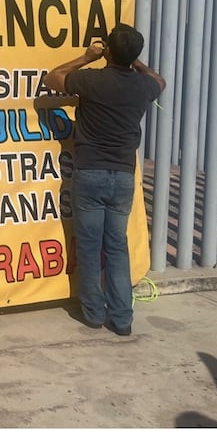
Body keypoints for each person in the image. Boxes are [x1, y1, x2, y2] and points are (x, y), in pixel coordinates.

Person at [41, 23, 165, 337]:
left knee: (89, 244)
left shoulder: (92, 80)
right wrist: (133, 60)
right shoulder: (143, 86)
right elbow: (159, 81)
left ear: (106, 50)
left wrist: (86, 57)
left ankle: (94, 313)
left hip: (90, 173)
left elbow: (52, 77)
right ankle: (122, 318)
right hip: (123, 176)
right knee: (116, 246)